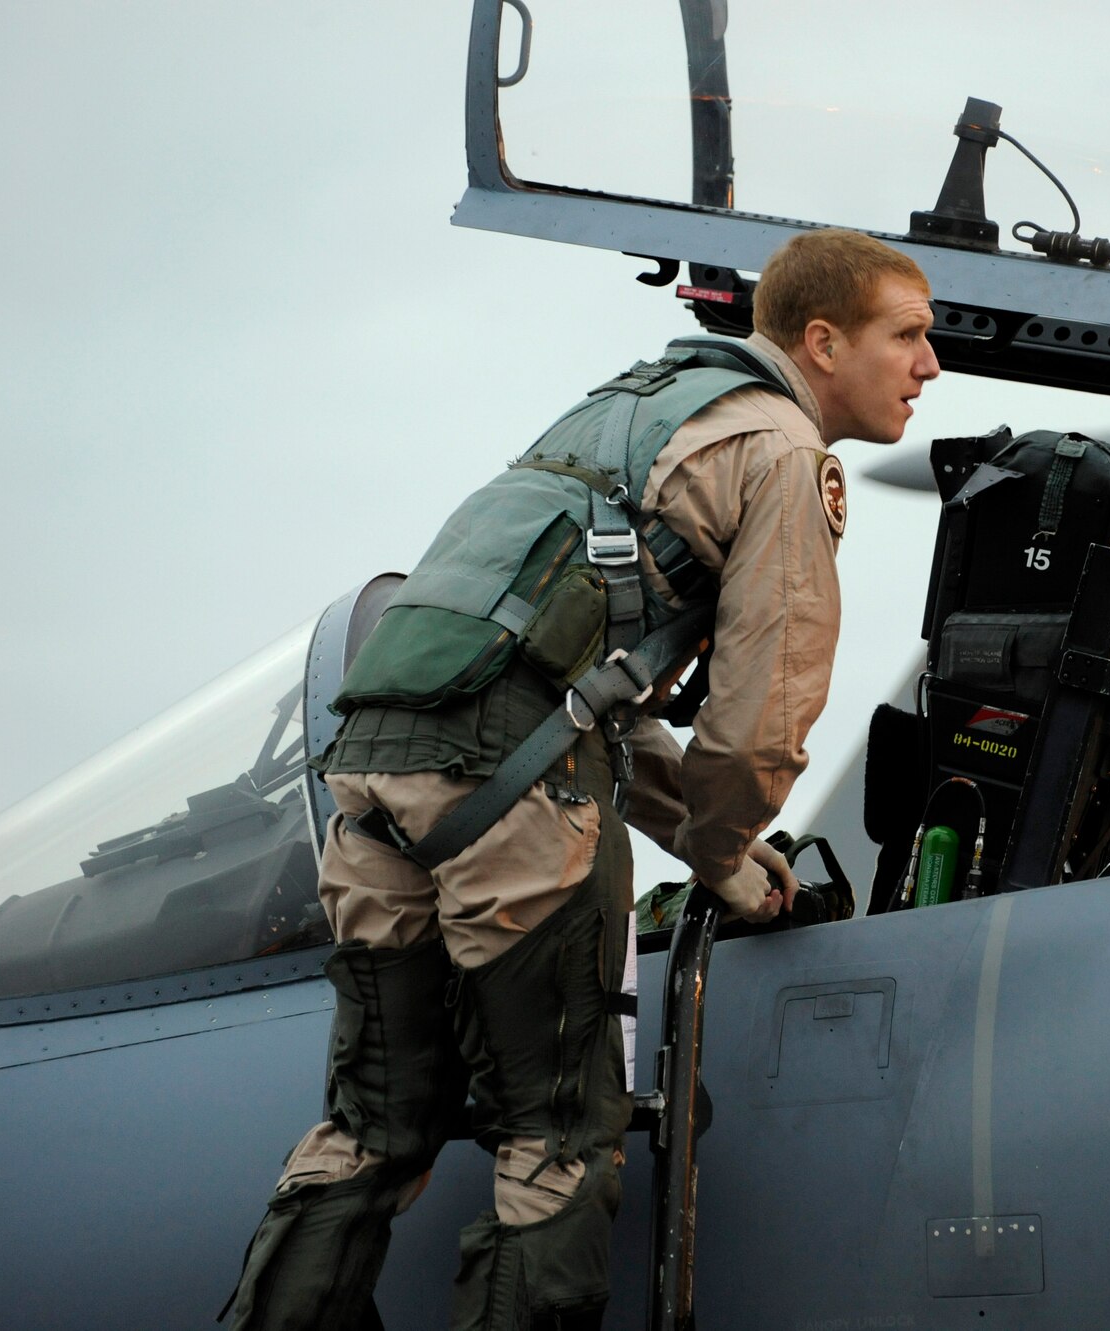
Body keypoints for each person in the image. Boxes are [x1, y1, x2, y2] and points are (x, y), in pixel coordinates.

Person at [220, 229, 939, 1331]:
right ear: (823, 340)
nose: (928, 365)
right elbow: (759, 723)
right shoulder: (780, 448)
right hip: (511, 790)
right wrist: (722, 856)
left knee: (370, 1128)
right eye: (909, 335)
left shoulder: (631, 407)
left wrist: (711, 844)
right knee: (554, 1143)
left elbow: (574, 702)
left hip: (370, 767)